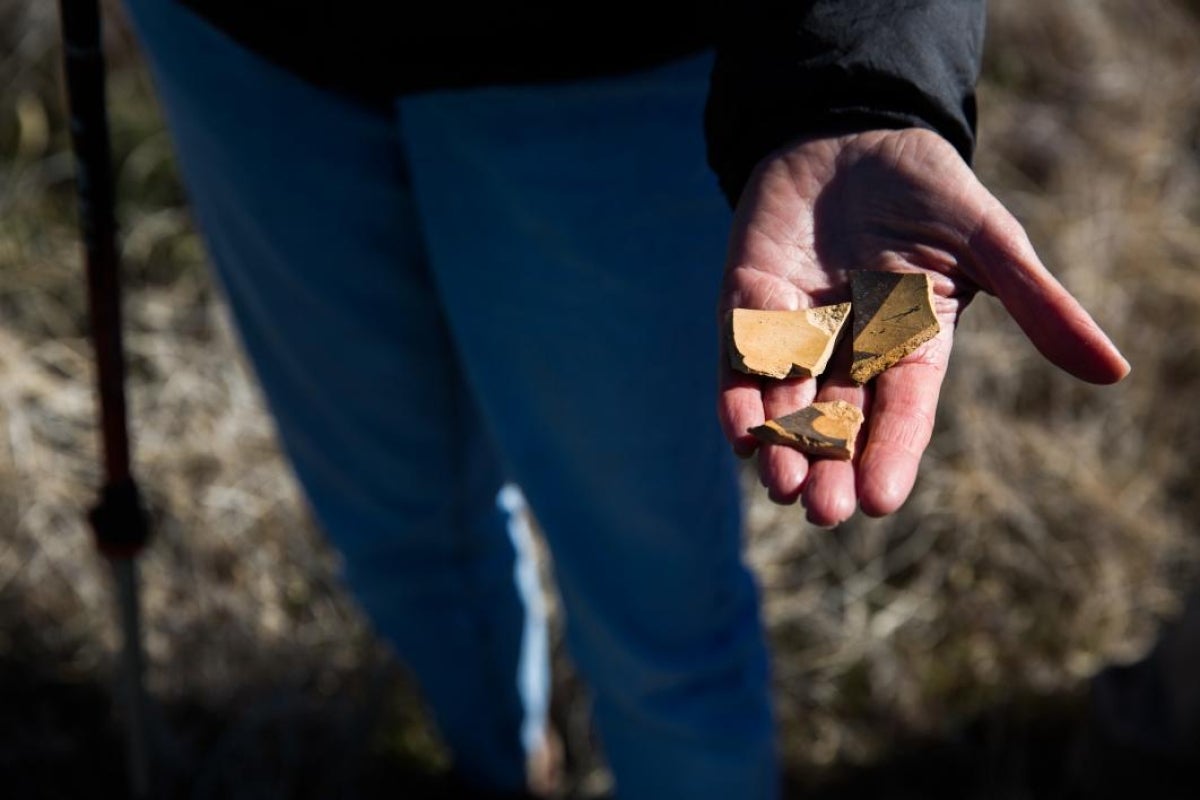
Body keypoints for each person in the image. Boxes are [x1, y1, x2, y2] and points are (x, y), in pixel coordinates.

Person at [117, 1, 1129, 797]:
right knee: (393, 521)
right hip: (246, 46)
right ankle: (498, 766)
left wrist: (864, 80)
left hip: (612, 58)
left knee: (659, 601)